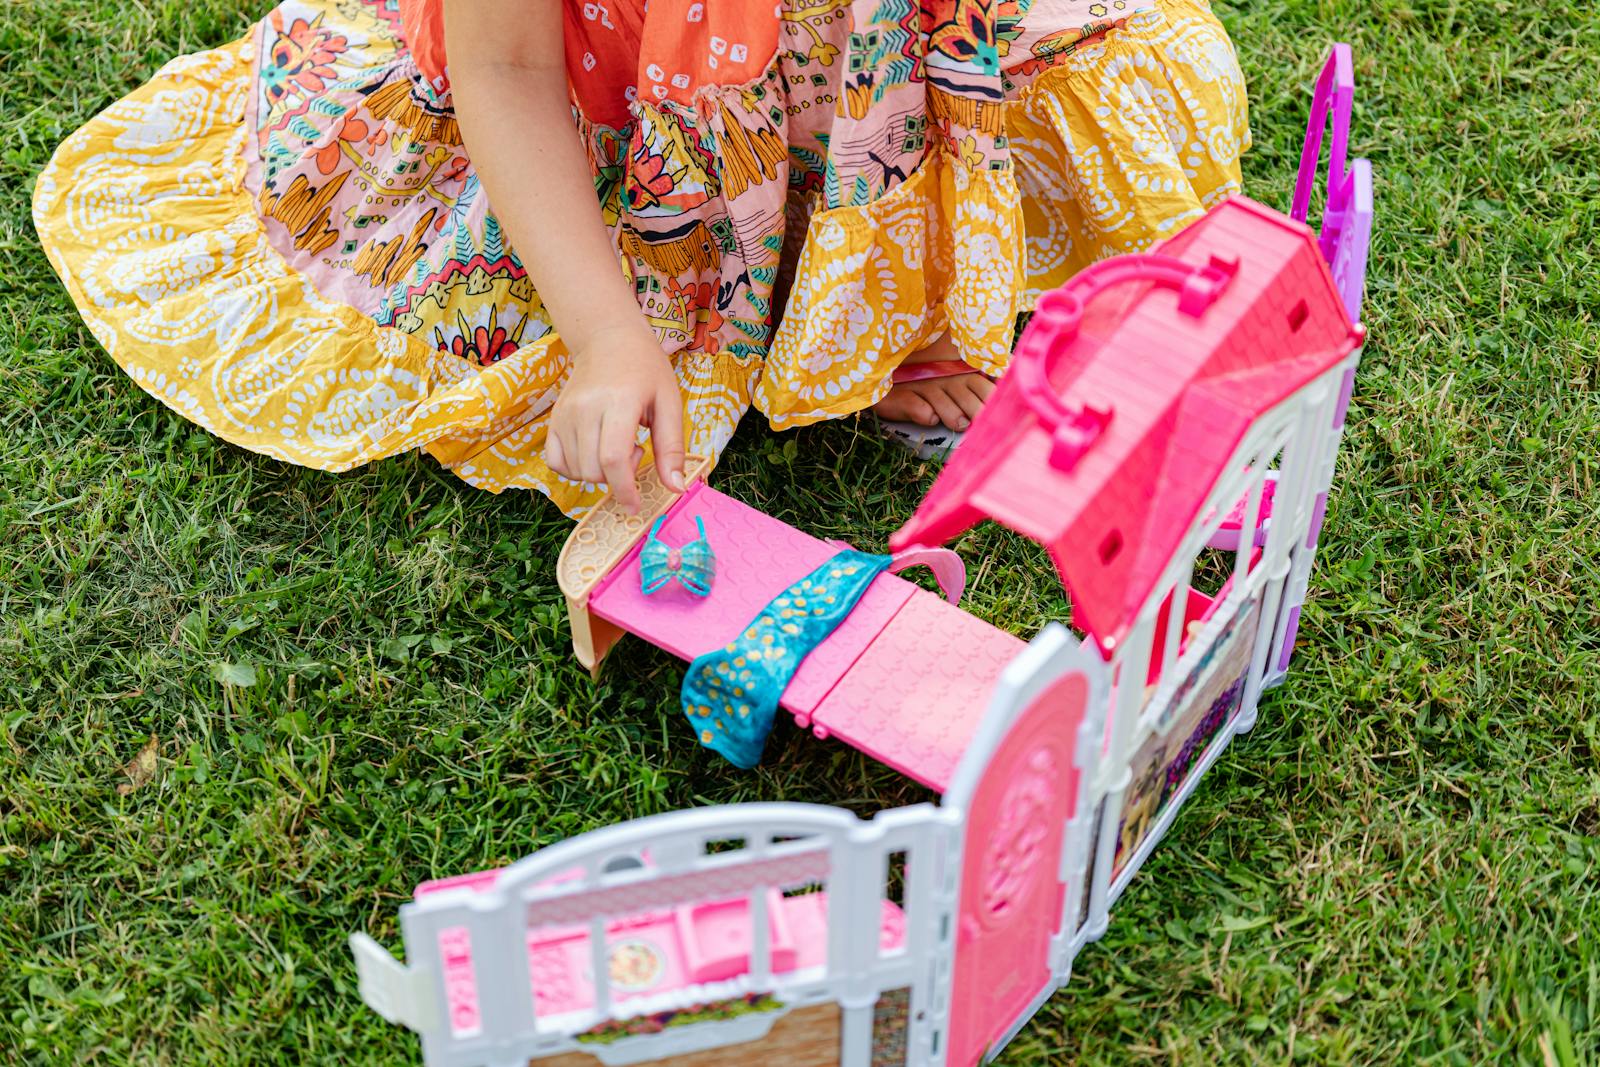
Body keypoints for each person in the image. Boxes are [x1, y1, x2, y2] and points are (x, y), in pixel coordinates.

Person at [34, 0, 1249, 516]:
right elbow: (504, 75)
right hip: (620, 129)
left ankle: (876, 283)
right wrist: (612, 338)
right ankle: (784, 279)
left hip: (850, 75)